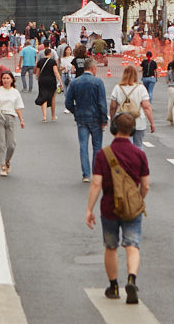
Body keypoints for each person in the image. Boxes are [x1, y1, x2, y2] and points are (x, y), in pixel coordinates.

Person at [84, 113, 150, 304]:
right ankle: (131, 279)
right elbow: (145, 185)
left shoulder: (103, 154)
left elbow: (96, 183)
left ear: (114, 129)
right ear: (132, 131)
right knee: (132, 245)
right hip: (132, 209)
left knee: (111, 247)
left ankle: (113, 286)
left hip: (109, 208)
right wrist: (138, 199)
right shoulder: (139, 154)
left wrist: (89, 209)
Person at [64, 57, 109, 183]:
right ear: (93, 68)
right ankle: (96, 172)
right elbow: (102, 103)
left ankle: (86, 174)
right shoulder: (98, 82)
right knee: (97, 146)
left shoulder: (75, 82)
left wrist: (76, 111)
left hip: (81, 118)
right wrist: (104, 119)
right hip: (95, 118)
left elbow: (68, 103)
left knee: (83, 146)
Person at [0, 70, 25, 176]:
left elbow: (18, 107)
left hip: (11, 117)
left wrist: (21, 120)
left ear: (12, 80)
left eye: (8, 78)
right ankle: (2, 166)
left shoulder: (15, 92)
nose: (5, 80)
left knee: (11, 144)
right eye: (3, 78)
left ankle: (7, 160)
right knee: (1, 143)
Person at [110, 65, 154, 149]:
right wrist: (152, 122)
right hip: (138, 120)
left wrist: (112, 120)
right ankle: (138, 157)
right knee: (139, 145)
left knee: (126, 145)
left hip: (122, 122)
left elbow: (113, 107)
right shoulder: (140, 88)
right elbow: (146, 107)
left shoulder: (117, 88)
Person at [35, 46, 61, 121]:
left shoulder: (40, 61)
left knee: (43, 97)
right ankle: (53, 116)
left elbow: (37, 72)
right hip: (51, 80)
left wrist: (38, 79)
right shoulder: (53, 61)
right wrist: (60, 81)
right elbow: (56, 71)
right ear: (50, 53)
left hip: (42, 80)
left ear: (44, 54)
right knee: (52, 97)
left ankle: (44, 116)